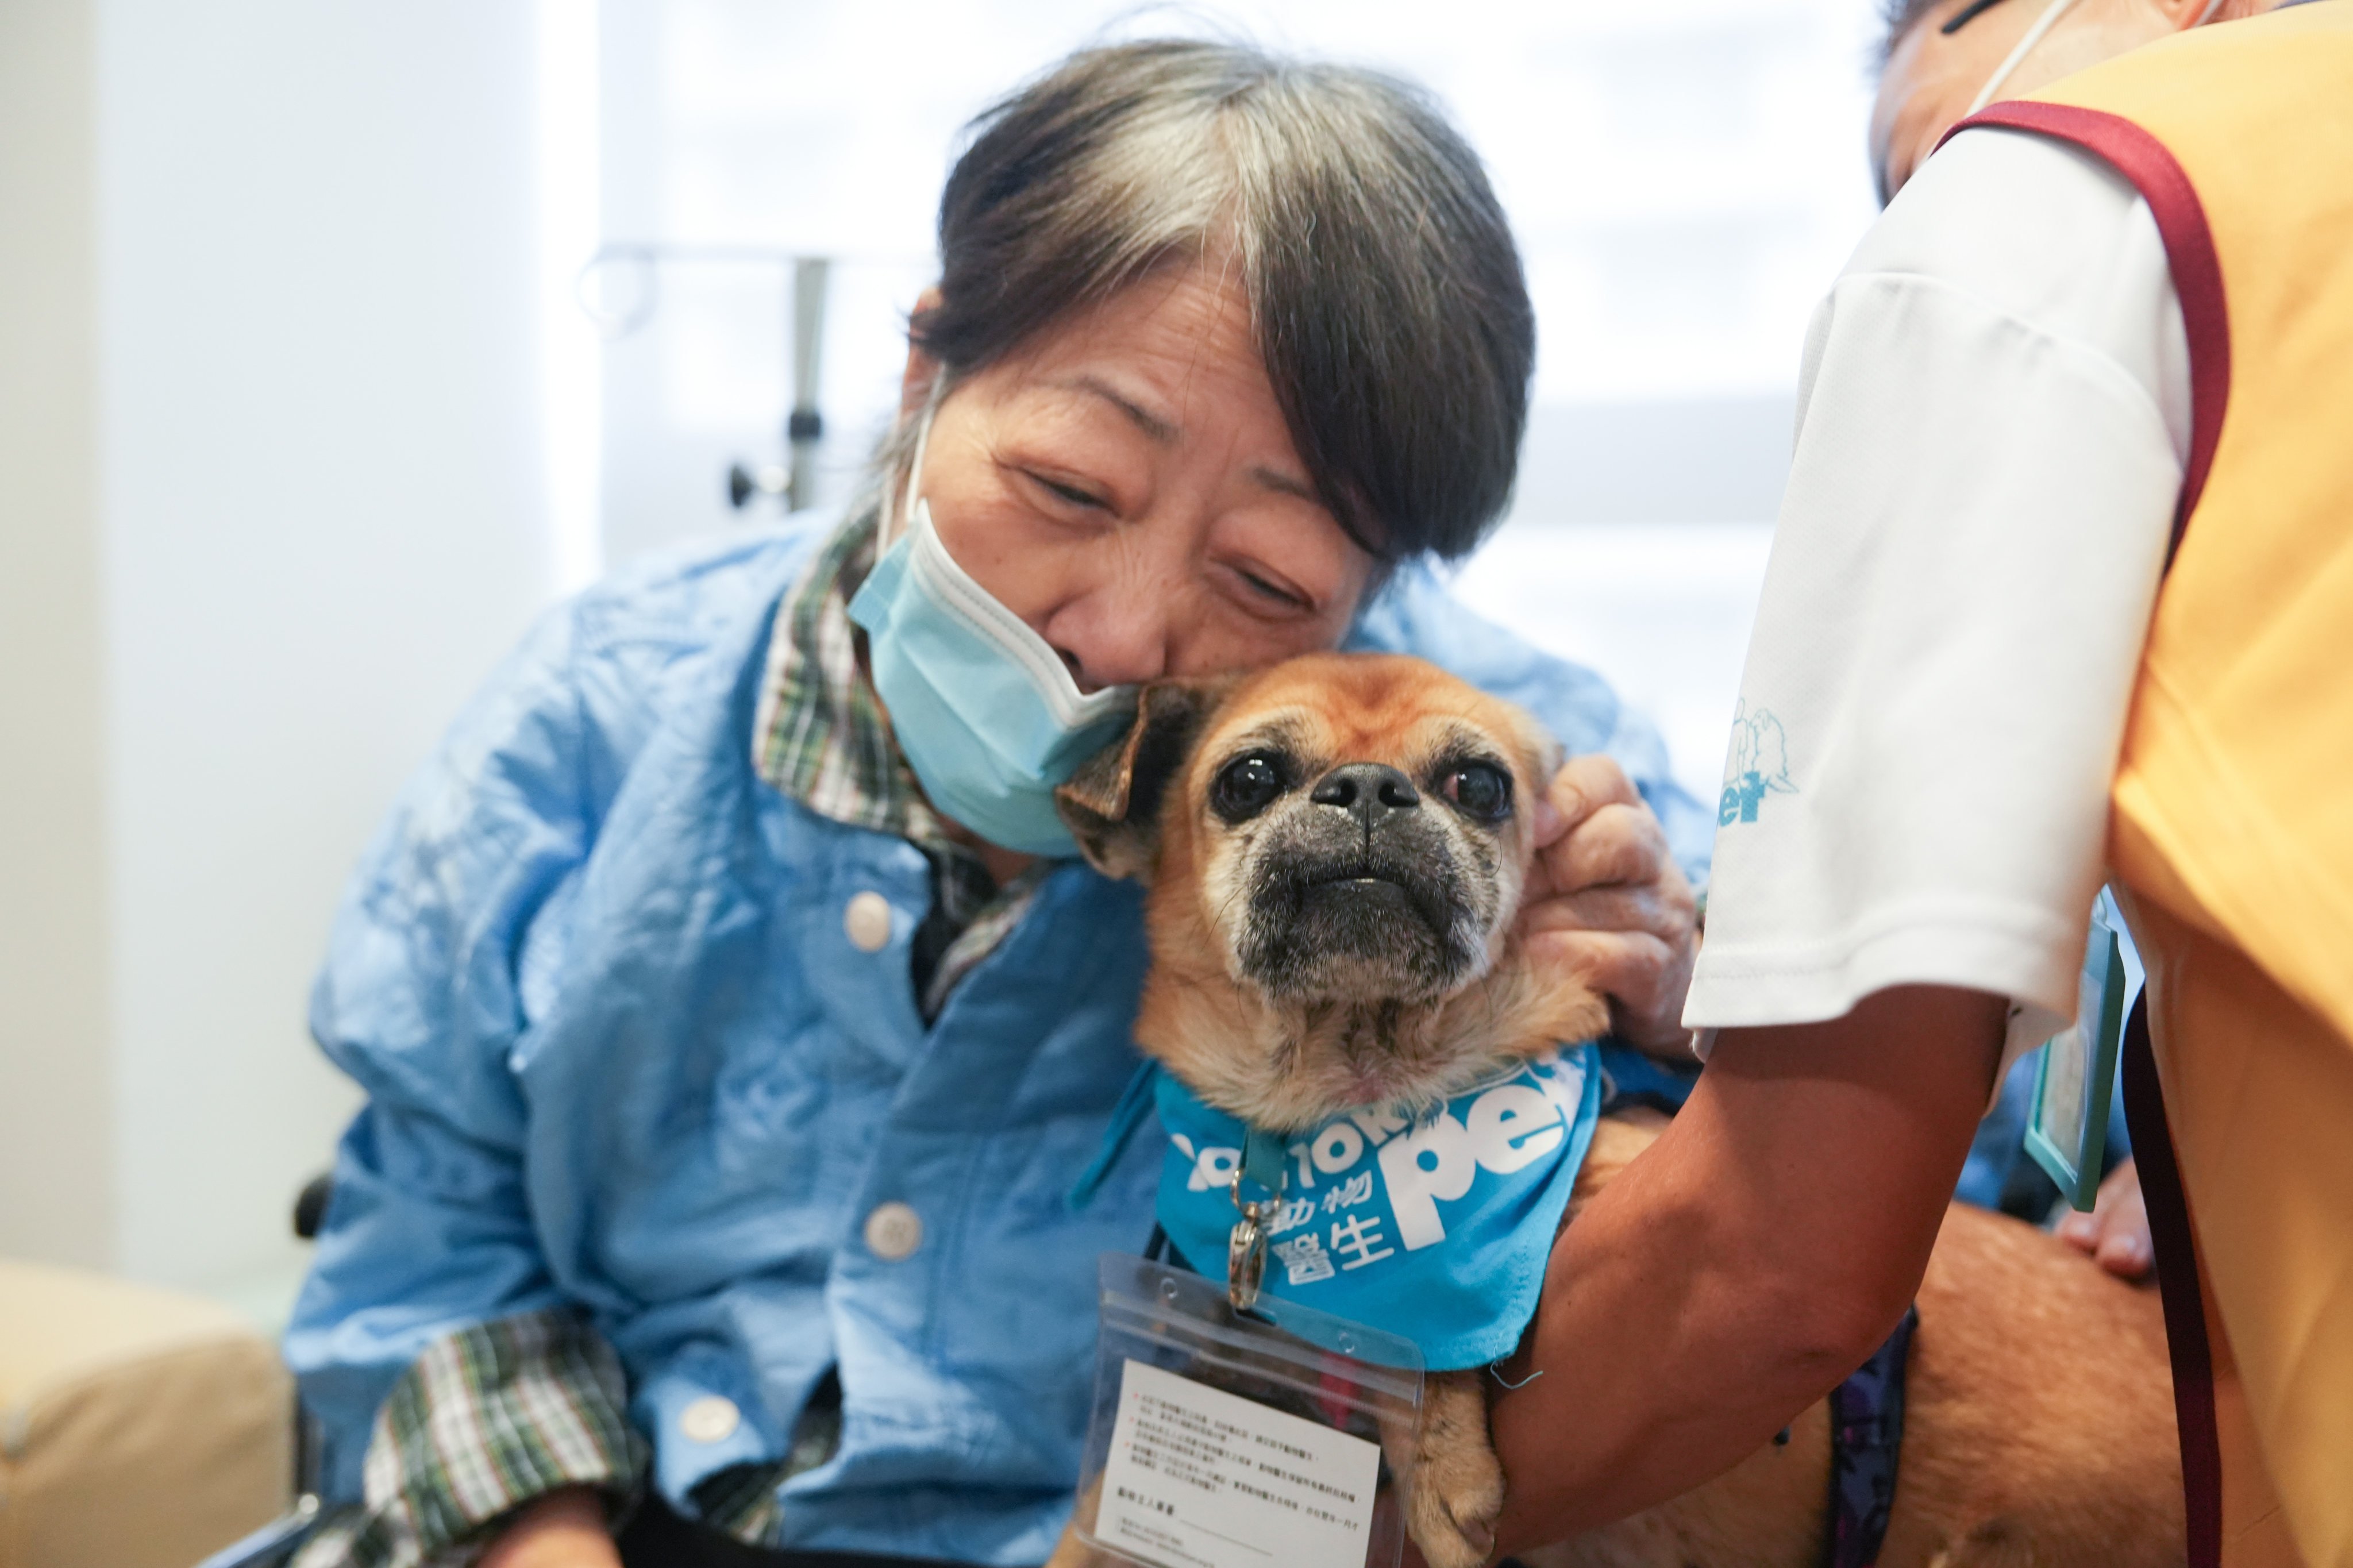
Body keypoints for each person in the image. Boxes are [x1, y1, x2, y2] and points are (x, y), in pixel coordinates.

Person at [282, 40, 1709, 1568]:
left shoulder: (1515, 785)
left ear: (1380, 588)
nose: (1122, 630)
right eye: (1073, 488)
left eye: (1267, 580)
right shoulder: (596, 716)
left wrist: (1687, 1020)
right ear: (926, 376)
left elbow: (1883, 1208)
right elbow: (431, 1226)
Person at [1484, 3, 2352, 1567]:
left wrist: (1303, 1501)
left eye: (1941, 157)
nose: (1938, 202)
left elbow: (1778, 1259)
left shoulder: (2049, 209)